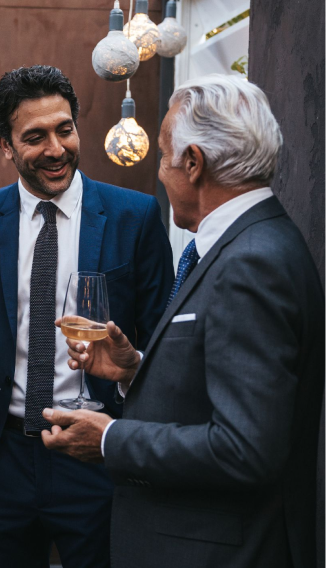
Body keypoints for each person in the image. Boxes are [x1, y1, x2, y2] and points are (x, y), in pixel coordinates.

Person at [42, 74, 326, 568]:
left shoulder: (251, 262)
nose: (159, 172)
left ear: (192, 163)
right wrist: (136, 372)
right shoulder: (247, 244)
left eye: (163, 156)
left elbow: (245, 449)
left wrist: (110, 439)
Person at [0, 65, 174, 568]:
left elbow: (163, 343)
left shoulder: (136, 216)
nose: (56, 148)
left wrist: (129, 373)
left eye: (64, 129)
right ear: (5, 145)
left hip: (97, 455)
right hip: (1, 457)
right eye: (35, 136)